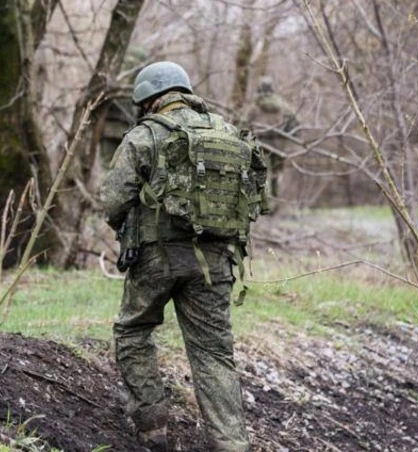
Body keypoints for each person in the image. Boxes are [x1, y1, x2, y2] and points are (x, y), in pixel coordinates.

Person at [100, 61, 269, 451]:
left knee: (133, 330)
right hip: (216, 262)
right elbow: (261, 198)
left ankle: (152, 428)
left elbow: (113, 201)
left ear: (147, 100)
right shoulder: (229, 133)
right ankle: (231, 445)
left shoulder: (145, 135)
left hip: (155, 257)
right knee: (213, 352)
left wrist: (127, 227)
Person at [243, 76, 299, 210]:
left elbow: (244, 126)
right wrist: (289, 139)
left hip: (260, 145)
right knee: (277, 174)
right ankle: (275, 204)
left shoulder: (254, 107)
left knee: (262, 174)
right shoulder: (283, 106)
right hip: (280, 146)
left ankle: (264, 204)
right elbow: (295, 124)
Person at [98, 46, 149, 169]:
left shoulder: (114, 63)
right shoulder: (143, 65)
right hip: (131, 126)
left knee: (108, 166)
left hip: (108, 125)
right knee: (129, 167)